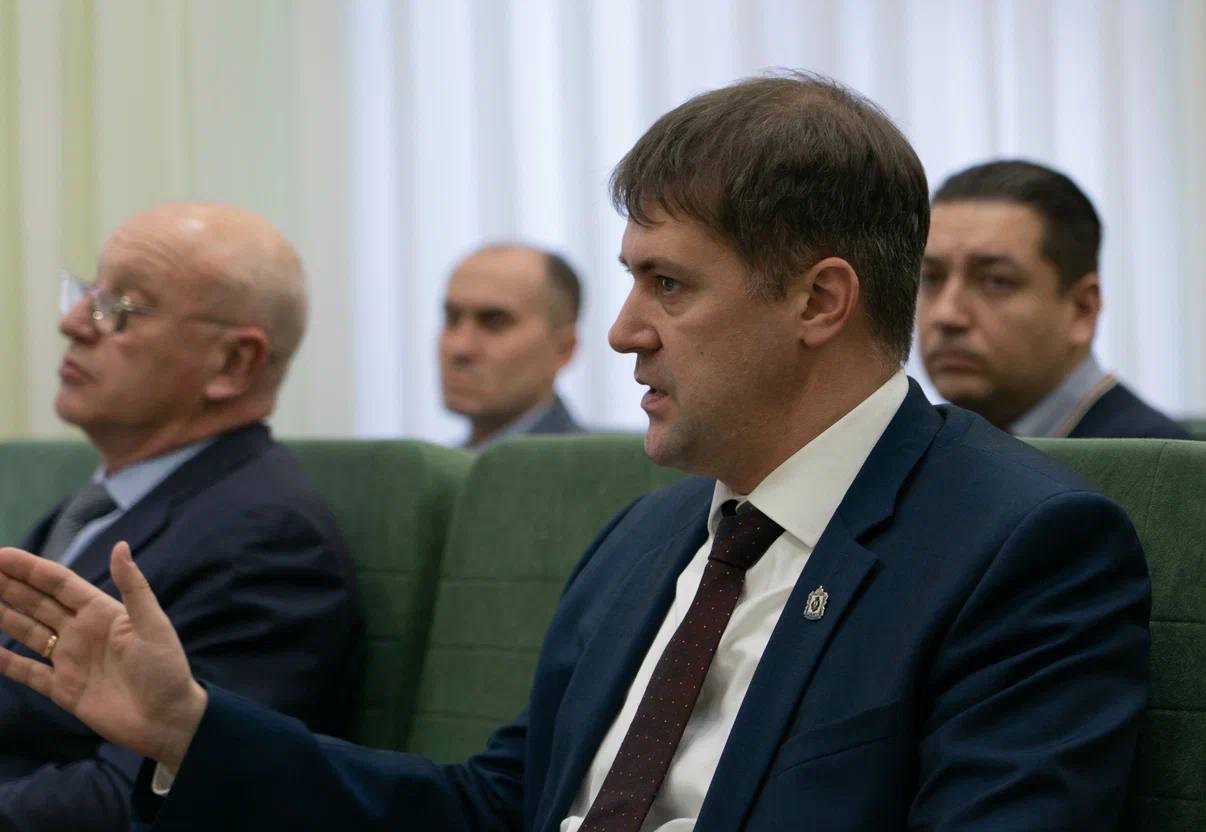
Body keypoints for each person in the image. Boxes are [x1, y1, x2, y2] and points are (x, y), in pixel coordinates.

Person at [0, 74, 1148, 830]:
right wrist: (190, 727)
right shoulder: (649, 536)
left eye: (668, 284)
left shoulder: (1021, 548)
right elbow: (494, 809)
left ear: (817, 300)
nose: (621, 332)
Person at [0, 203, 362, 832]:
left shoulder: (268, 544)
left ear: (232, 364)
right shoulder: (107, 499)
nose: (72, 322)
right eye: (88, 293)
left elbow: (137, 796)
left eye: (120, 308)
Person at [918, 159, 1192, 438]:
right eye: (929, 278)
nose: (946, 315)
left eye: (996, 281)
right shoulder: (928, 446)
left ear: (1082, 309)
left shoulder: (1151, 460)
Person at [440, 244, 584, 449]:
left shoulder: (607, 467)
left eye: (494, 323)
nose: (460, 347)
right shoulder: (431, 467)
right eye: (452, 319)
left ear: (563, 350)